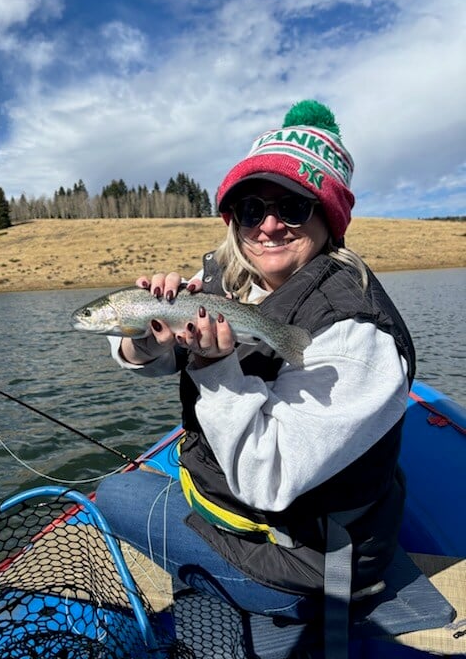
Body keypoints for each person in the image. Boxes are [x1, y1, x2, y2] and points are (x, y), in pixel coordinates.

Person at [95, 100, 415, 626]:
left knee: (114, 491)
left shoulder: (358, 336)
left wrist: (217, 370)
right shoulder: (234, 279)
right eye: (250, 209)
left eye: (292, 208)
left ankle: (240, 598)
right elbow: (152, 352)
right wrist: (144, 344)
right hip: (237, 511)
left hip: (307, 568)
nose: (268, 226)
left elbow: (268, 479)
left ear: (328, 217)